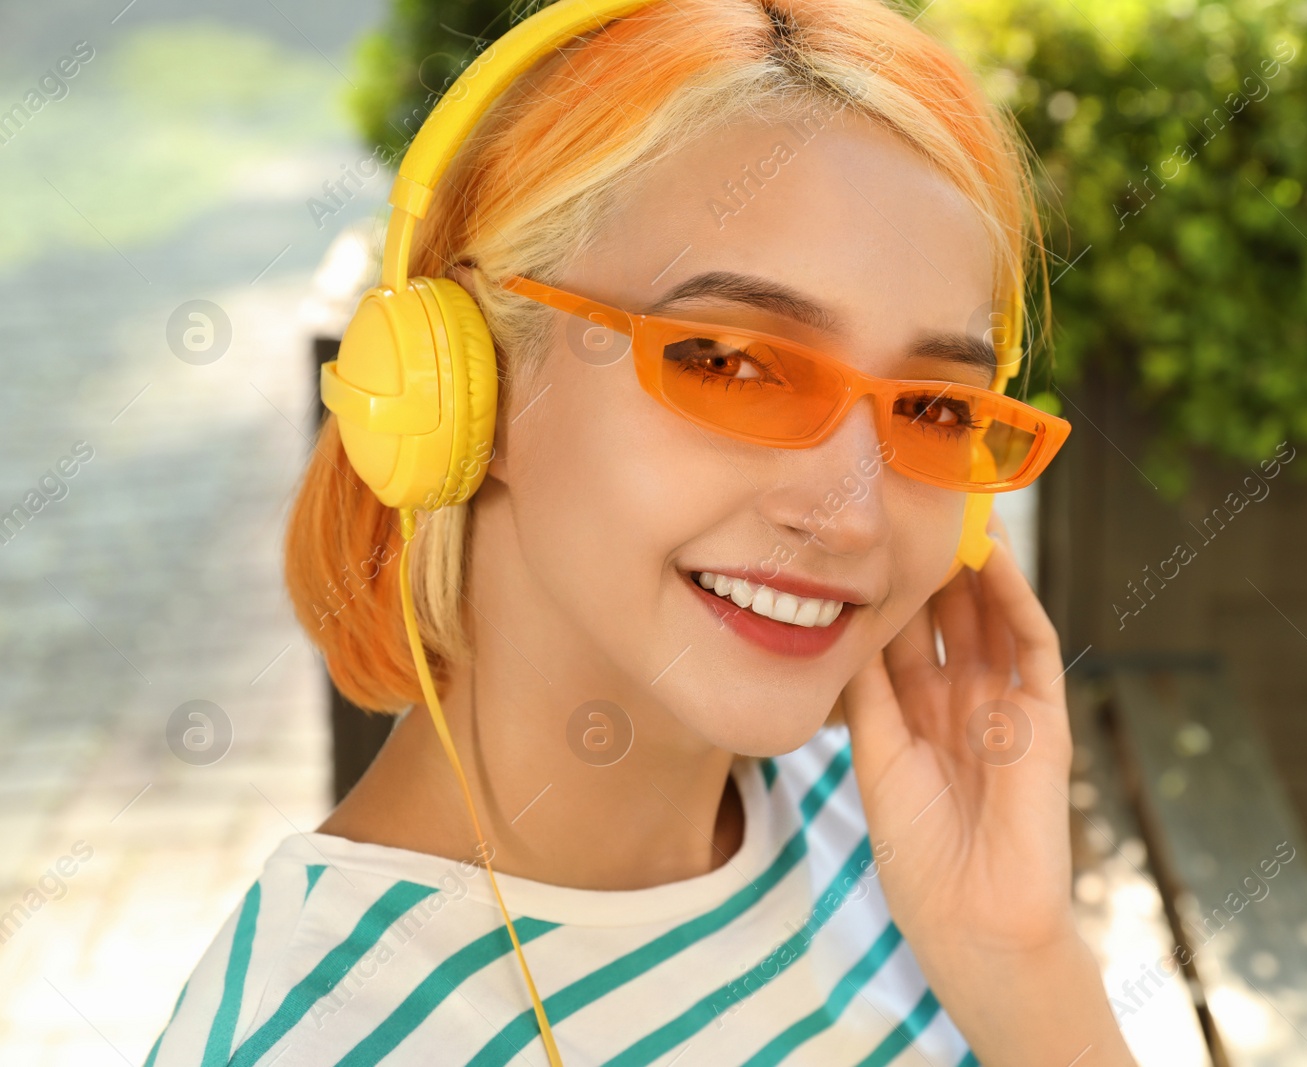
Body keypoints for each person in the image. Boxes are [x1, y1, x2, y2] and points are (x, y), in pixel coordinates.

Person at [144, 0, 1134, 1062]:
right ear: (466, 380)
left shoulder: (905, 838)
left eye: (935, 407)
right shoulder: (315, 1035)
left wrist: (1023, 964)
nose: (850, 515)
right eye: (728, 360)